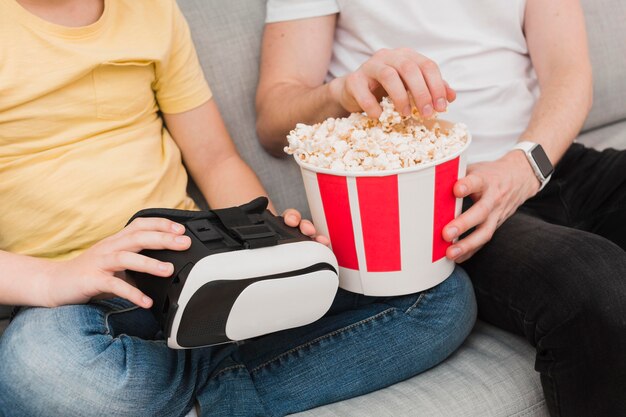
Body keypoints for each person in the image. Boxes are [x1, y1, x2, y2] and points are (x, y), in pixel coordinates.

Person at [0, 0, 476, 416]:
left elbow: (215, 158)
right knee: (40, 370)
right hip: (73, 297)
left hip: (191, 259)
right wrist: (52, 278)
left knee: (440, 299)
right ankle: (229, 382)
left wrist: (267, 236)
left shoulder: (152, 11)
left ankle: (190, 388)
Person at [255, 0, 626, 416]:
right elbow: (273, 117)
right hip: (432, 196)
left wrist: (524, 166)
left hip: (543, 155)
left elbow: (569, 73)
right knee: (598, 284)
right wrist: (342, 91)